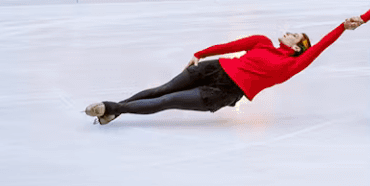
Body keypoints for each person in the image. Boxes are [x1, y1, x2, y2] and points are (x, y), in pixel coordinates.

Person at [85, 25, 346, 124]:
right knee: (161, 90)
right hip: (214, 69)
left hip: (223, 93)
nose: (289, 31)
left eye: (295, 34)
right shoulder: (262, 41)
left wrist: (343, 27)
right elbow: (230, 47)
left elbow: (321, 46)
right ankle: (114, 111)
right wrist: (201, 53)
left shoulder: (292, 66)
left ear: (299, 46)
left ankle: (110, 107)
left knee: (167, 102)